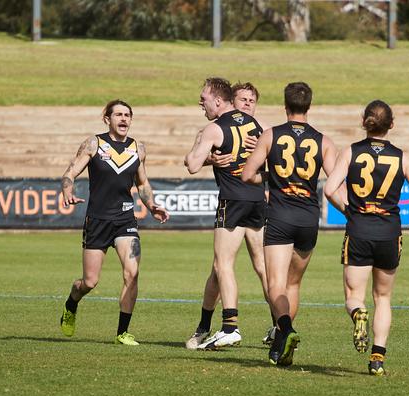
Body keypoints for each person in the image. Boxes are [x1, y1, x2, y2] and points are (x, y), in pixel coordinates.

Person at [324, 100, 409, 376]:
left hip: (359, 229)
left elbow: (329, 189)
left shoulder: (351, 152)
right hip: (389, 232)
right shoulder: (402, 157)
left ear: (364, 121)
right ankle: (377, 359)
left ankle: (358, 314)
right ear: (391, 125)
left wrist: (348, 209)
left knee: (354, 296)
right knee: (383, 297)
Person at [242, 81, 338, 366]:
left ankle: (285, 330)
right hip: (309, 217)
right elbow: (334, 182)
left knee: (276, 285)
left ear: (285, 106)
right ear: (309, 106)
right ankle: (284, 350)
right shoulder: (324, 141)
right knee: (294, 284)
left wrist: (272, 177)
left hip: (281, 216)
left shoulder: (271, 135)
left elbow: (248, 175)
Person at [59, 100, 169, 345]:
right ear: (106, 118)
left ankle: (122, 332)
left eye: (127, 115)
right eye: (118, 114)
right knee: (90, 281)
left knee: (132, 273)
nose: (124, 119)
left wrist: (152, 206)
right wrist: (67, 189)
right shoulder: (93, 144)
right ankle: (71, 302)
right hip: (97, 220)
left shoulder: (138, 148)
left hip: (125, 220)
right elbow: (69, 173)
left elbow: (142, 183)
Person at [184, 81, 276, 350]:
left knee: (223, 265)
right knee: (259, 267)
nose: (201, 103)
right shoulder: (259, 128)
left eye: (203, 98)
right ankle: (279, 325)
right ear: (233, 101)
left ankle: (229, 327)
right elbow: (276, 167)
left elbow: (190, 164)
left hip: (233, 201)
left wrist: (202, 147)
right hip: (257, 201)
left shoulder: (214, 128)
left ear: (218, 100)